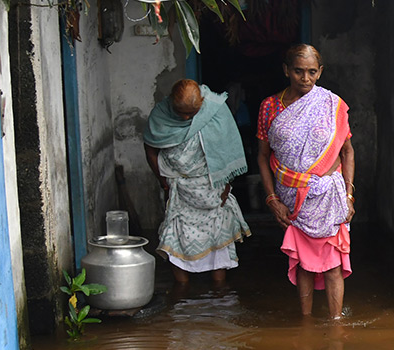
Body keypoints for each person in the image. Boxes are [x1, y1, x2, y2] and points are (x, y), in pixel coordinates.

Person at [256, 44, 355, 319]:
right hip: (292, 198)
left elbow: (346, 151)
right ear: (286, 70)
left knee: (334, 263)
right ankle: (306, 324)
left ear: (320, 72)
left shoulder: (332, 104)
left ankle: (336, 325)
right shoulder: (270, 107)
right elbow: (263, 157)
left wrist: (348, 195)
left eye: (312, 72)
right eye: (298, 71)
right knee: (303, 264)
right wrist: (272, 199)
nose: (305, 78)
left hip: (329, 195)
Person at [145, 79, 251, 287]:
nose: (186, 119)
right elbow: (150, 148)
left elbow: (225, 148)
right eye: (181, 113)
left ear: (202, 104)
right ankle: (182, 295)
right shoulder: (161, 115)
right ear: (171, 105)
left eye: (192, 114)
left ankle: (218, 295)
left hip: (213, 192)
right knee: (177, 239)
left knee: (218, 242)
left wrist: (227, 181)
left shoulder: (214, 109)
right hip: (180, 192)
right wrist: (164, 182)